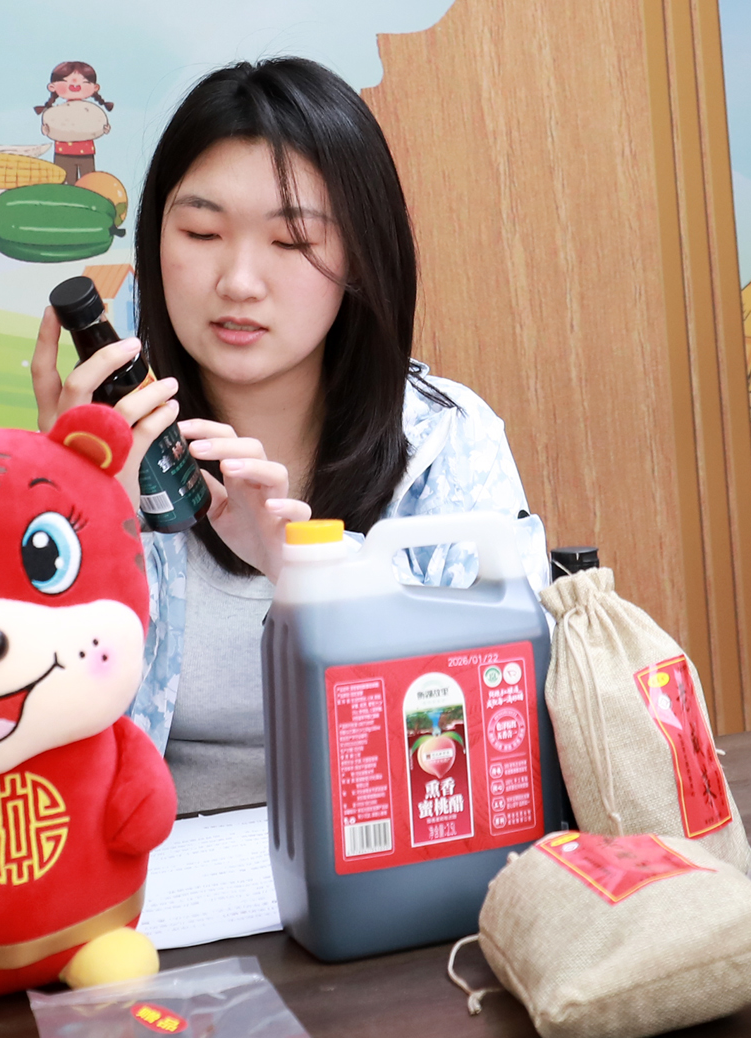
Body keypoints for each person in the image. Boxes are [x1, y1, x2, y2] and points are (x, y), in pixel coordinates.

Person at [29, 56, 526, 816]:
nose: (238, 281)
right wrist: (72, 521)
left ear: (361, 255)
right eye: (201, 231)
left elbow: (494, 743)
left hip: (381, 872)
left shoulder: (446, 443)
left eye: (292, 242)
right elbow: (22, 765)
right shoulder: (100, 451)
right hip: (145, 878)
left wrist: (311, 587)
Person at [34, 59, 113, 185]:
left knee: (89, 181)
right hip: (63, 152)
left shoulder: (93, 112)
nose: (75, 84)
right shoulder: (55, 113)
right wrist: (46, 130)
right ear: (52, 87)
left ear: (95, 87)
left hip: (86, 152)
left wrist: (104, 128)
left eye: (84, 82)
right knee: (66, 182)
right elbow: (51, 128)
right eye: (66, 81)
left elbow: (98, 124)